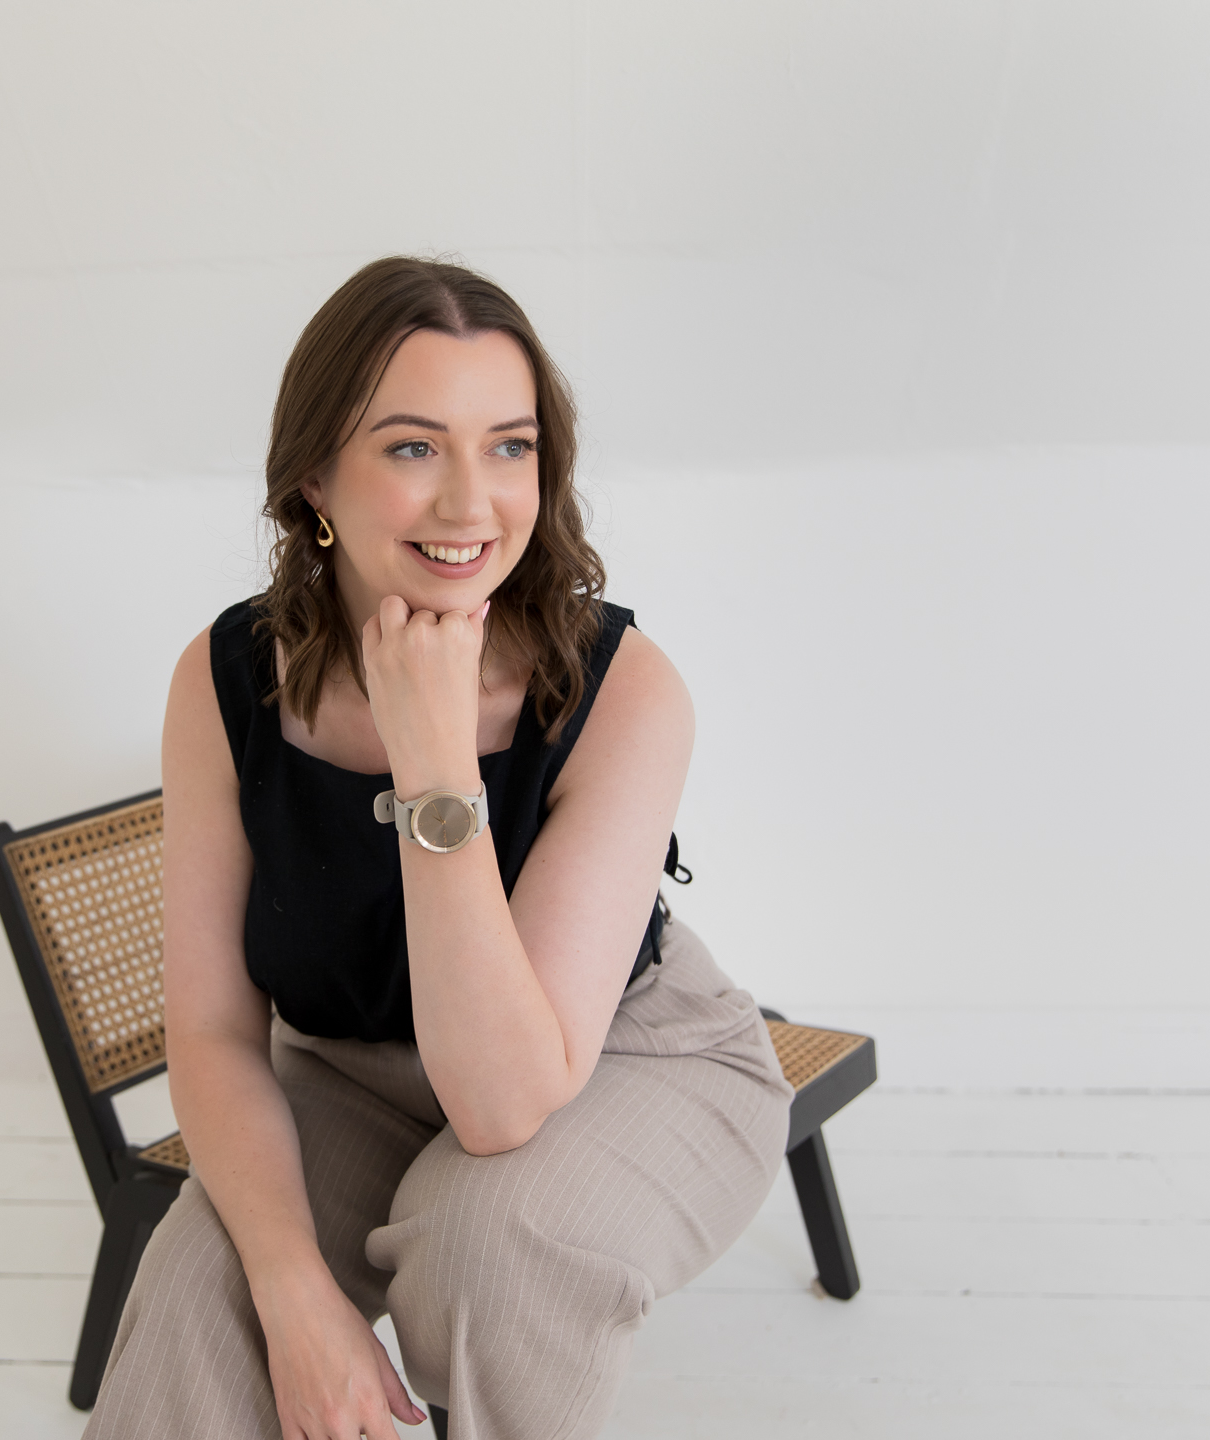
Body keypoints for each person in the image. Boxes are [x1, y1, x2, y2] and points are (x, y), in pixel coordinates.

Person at [83, 257, 792, 1440]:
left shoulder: (620, 689)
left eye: (510, 446)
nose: (473, 503)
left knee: (494, 1243)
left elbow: (504, 1102)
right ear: (315, 475)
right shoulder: (226, 683)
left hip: (624, 1062)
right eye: (414, 448)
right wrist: (296, 1292)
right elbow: (211, 1031)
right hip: (352, 1073)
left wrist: (432, 761)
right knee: (211, 1274)